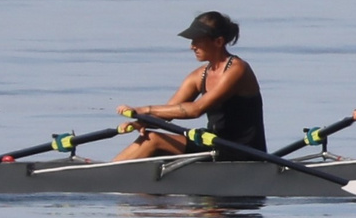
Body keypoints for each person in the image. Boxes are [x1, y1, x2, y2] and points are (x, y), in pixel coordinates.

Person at [114, 11, 268, 160]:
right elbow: (169, 112)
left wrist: (145, 109)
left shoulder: (238, 70)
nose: (192, 46)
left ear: (218, 42)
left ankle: (105, 173)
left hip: (245, 150)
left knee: (153, 139)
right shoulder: (198, 76)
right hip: (214, 143)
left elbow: (196, 110)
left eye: (197, 40)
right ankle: (106, 170)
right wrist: (140, 122)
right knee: (150, 140)